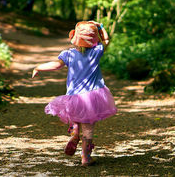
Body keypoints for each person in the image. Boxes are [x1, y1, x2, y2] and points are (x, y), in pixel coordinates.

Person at [31, 21, 117, 166]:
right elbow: (107, 40)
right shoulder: (97, 52)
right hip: (93, 97)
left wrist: (38, 67)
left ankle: (75, 132)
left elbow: (56, 65)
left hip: (74, 97)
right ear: (94, 39)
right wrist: (101, 27)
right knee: (88, 127)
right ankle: (85, 158)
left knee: (75, 117)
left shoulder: (68, 54)